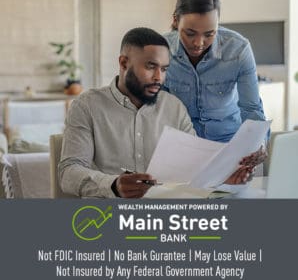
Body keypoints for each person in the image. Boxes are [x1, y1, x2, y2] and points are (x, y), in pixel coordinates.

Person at [59, 27, 255, 199]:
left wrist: (221, 177)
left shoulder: (174, 107)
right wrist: (113, 185)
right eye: (150, 67)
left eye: (164, 69)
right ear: (124, 63)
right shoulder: (87, 105)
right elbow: (68, 172)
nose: (159, 78)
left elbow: (194, 166)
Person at [164, 0, 267, 144]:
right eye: (190, 33)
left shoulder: (239, 50)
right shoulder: (161, 50)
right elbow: (155, 109)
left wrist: (256, 146)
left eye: (209, 34)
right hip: (181, 144)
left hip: (228, 143)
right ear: (176, 21)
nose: (199, 43)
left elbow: (251, 110)